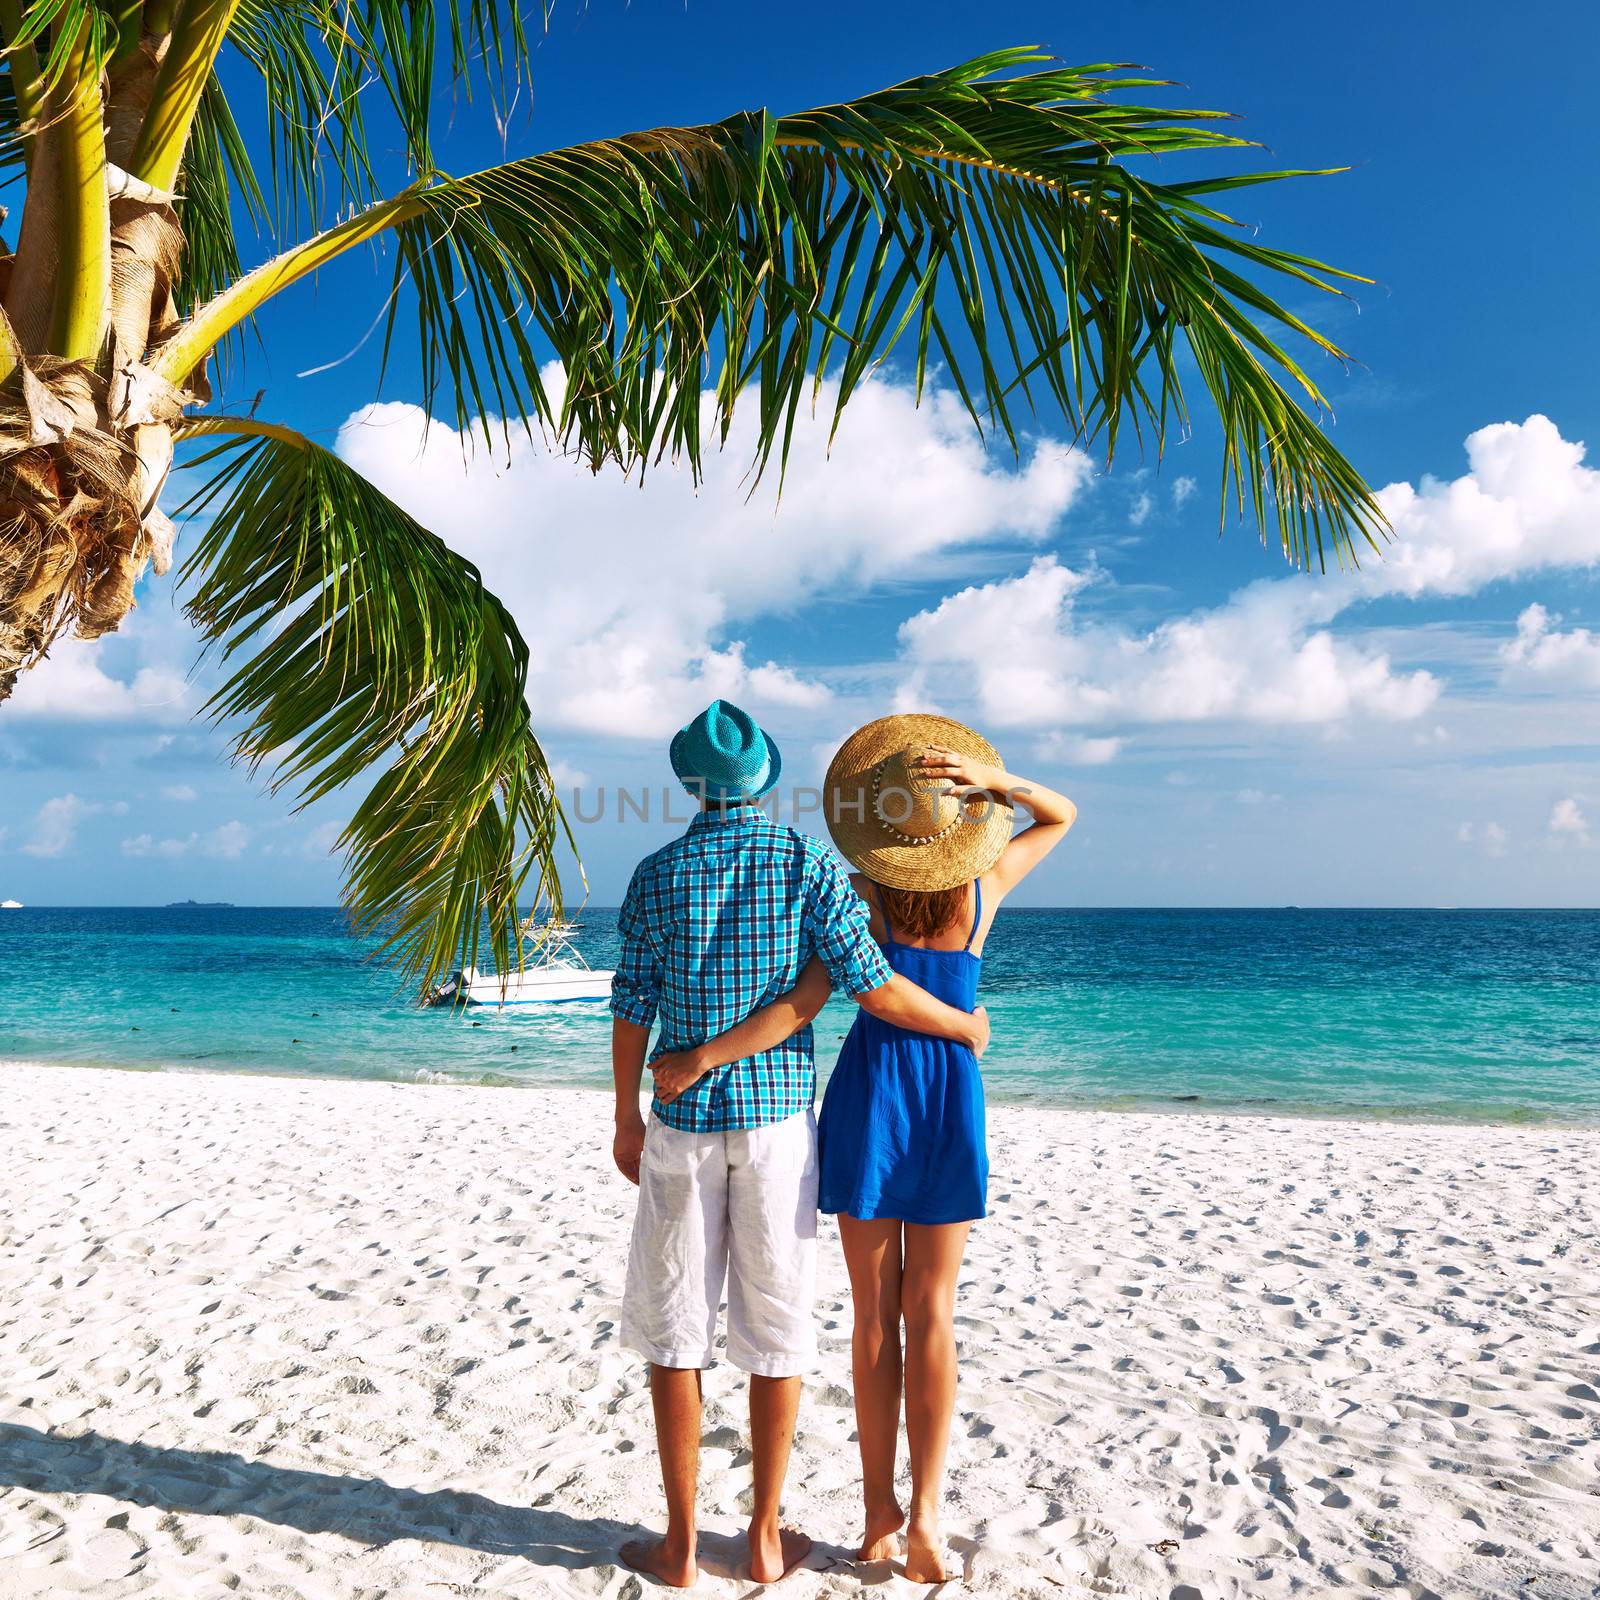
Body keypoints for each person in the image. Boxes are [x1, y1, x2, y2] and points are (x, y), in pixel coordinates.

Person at [654, 713, 1075, 1582]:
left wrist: (703, 1054)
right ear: (957, 825)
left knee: (872, 1315)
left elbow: (807, 999)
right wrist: (996, 784)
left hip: (871, 1096)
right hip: (949, 1095)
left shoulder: (854, 893)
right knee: (935, 1311)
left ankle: (878, 1512)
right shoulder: (981, 892)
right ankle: (923, 1517)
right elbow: (1059, 815)